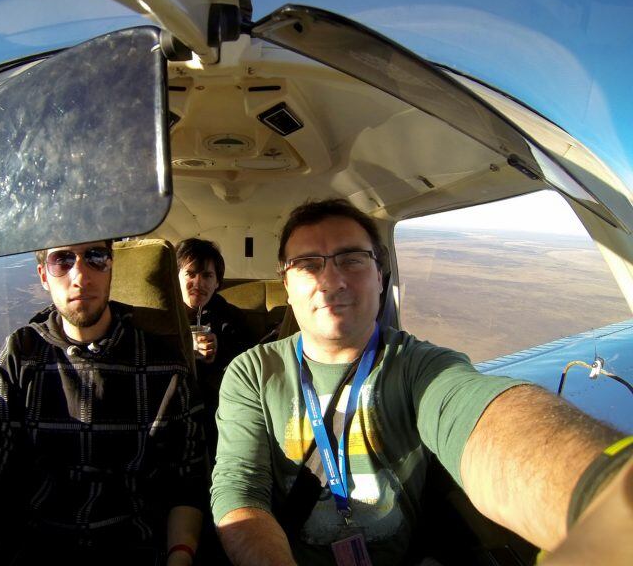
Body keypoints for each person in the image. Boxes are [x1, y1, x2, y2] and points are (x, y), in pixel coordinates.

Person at [210, 199, 633, 566]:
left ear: (380, 275)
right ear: (286, 284)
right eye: (308, 264)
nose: (331, 280)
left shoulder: (418, 365)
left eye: (351, 259)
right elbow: (239, 489)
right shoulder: (252, 373)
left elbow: (478, 417)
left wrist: (605, 500)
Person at [0, 241, 207, 566]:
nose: (80, 275)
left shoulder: (164, 367)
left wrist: (179, 557)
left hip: (132, 548)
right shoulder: (20, 356)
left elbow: (185, 482)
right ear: (43, 276)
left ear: (111, 267)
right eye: (62, 260)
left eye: (95, 257)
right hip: (36, 548)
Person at [175, 238, 253, 460]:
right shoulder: (159, 317)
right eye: (190, 274)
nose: (198, 283)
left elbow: (250, 358)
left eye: (207, 276)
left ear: (218, 282)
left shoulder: (232, 317)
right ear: (176, 277)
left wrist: (221, 351)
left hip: (216, 411)